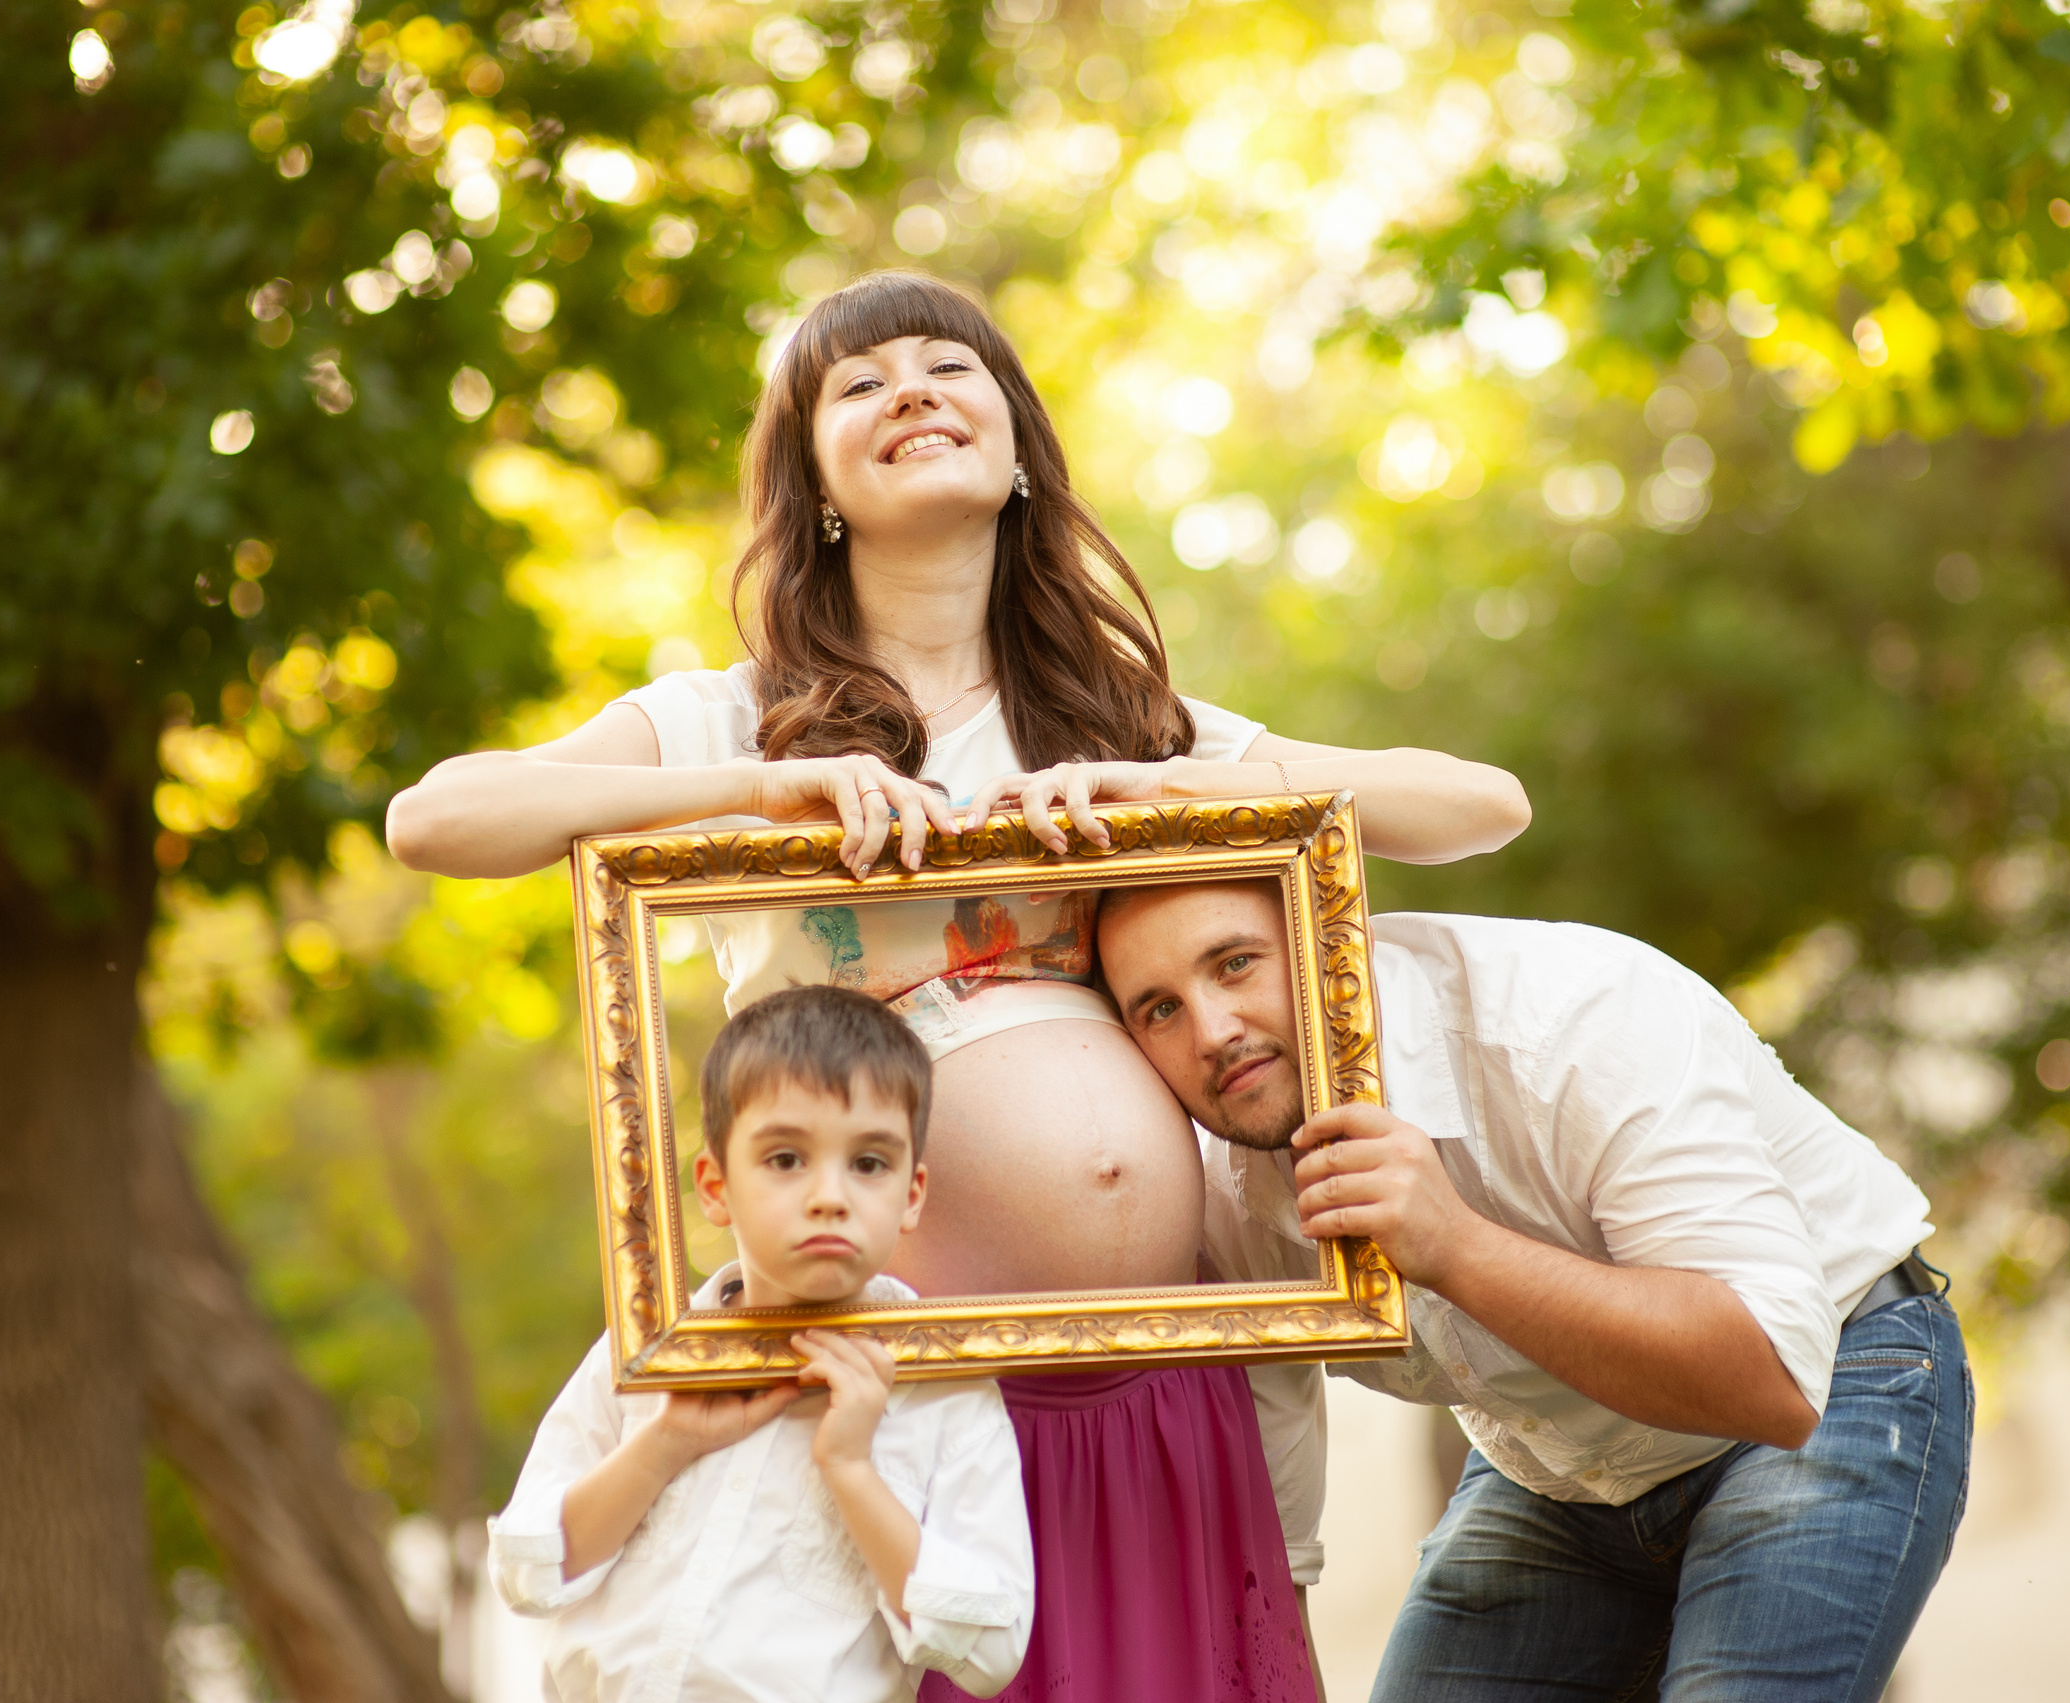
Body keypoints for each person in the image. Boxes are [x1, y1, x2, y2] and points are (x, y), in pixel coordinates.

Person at [392, 270, 1530, 1702]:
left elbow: (1478, 803)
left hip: (1162, 1380)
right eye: (858, 383)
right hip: (909, 1409)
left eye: (949, 366)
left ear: (1017, 452)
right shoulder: (731, 714)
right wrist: (759, 788)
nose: (911, 390)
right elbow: (435, 819)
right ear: (812, 480)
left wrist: (1187, 784)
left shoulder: (1115, 717)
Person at [1093, 882, 1971, 1703]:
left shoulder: (1571, 1018)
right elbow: (1274, 1536)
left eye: (1235, 963)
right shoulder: (1208, 1192)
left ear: (1326, 936)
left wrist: (1455, 1243)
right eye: (1159, 1009)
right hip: (1558, 1470)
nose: (1211, 1030)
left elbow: (1771, 1380)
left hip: (1838, 1377)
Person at [487, 986, 1035, 1702]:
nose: (829, 1195)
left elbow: (993, 1648)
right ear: (716, 1186)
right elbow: (528, 1571)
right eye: (785, 1158)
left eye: (869, 1162)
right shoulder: (651, 1350)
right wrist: (665, 1442)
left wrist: (851, 1467)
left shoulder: (942, 1383)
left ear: (911, 1194)